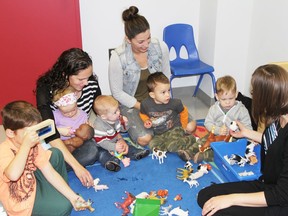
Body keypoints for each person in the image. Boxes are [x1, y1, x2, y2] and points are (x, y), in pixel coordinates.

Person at [197, 64, 288, 216]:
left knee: (217, 211)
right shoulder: (277, 117)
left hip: (280, 200)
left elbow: (281, 194)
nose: (252, 96)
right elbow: (275, 144)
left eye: (255, 93)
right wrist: (246, 132)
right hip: (266, 184)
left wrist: (231, 199)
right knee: (206, 196)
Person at [36, 47, 118, 187]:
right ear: (65, 74)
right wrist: (77, 167)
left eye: (88, 77)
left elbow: (102, 109)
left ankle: (56, 170)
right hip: (56, 141)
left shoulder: (90, 83)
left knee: (91, 144)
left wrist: (116, 125)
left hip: (80, 139)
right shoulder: (47, 90)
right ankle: (56, 169)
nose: (86, 82)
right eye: (81, 79)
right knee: (50, 156)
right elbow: (49, 133)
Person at [0, 101, 87, 216]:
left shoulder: (34, 143)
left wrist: (72, 196)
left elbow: (48, 170)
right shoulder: (4, 150)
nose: (34, 135)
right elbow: (13, 175)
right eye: (29, 132)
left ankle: (58, 194)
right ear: (11, 133)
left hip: (33, 181)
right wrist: (26, 146)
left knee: (55, 153)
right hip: (22, 201)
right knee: (64, 206)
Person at [108, 6, 171, 147]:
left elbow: (166, 77)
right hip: (133, 105)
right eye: (140, 42)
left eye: (148, 38)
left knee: (189, 126)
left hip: (158, 99)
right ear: (128, 39)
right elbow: (117, 93)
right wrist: (143, 106)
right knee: (144, 138)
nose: (146, 44)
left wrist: (163, 100)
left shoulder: (161, 47)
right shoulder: (118, 58)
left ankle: (160, 130)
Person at [187, 75, 253, 163]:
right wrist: (218, 130)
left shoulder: (241, 110)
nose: (228, 102)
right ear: (217, 97)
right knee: (203, 140)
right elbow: (208, 123)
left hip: (233, 138)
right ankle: (190, 151)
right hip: (215, 135)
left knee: (226, 150)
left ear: (236, 94)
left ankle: (204, 156)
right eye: (224, 99)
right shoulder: (214, 108)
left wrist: (236, 132)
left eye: (231, 98)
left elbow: (248, 128)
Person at [139, 72, 197, 160]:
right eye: (163, 92)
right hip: (159, 134)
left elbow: (184, 112)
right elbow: (142, 113)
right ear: (152, 95)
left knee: (171, 146)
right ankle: (176, 145)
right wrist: (147, 120)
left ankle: (191, 139)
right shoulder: (145, 104)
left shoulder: (175, 103)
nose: (167, 95)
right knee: (152, 145)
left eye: (168, 90)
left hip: (174, 129)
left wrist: (184, 127)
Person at [93, 95, 150, 170]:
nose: (118, 113)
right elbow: (101, 142)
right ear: (104, 117)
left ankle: (135, 153)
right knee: (103, 154)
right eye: (115, 112)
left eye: (118, 109)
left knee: (126, 145)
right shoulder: (99, 126)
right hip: (102, 145)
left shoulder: (116, 118)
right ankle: (112, 162)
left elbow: (122, 130)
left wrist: (125, 124)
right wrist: (114, 147)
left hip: (114, 139)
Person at [52, 86, 94, 153]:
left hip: (78, 145)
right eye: (66, 112)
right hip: (60, 144)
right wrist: (59, 130)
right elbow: (47, 131)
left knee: (89, 144)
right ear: (59, 109)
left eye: (73, 110)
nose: (70, 113)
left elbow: (86, 134)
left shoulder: (83, 115)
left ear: (76, 104)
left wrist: (89, 129)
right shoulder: (55, 115)